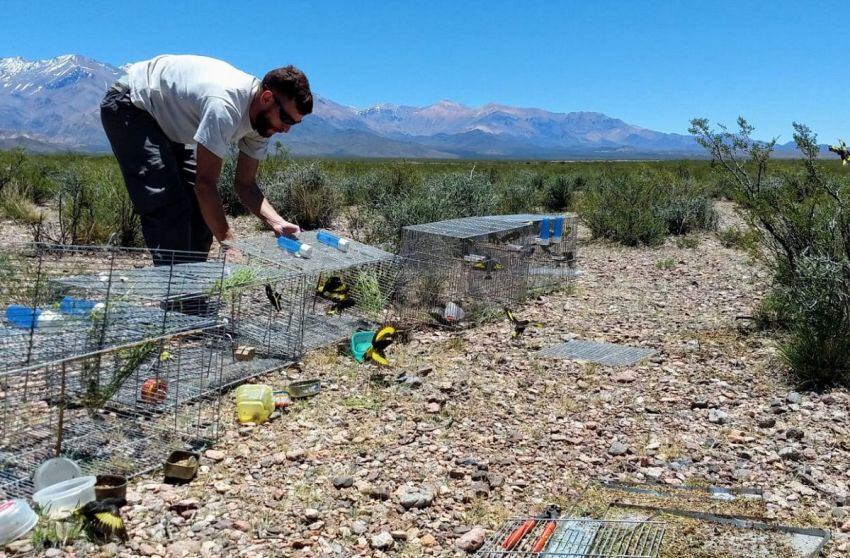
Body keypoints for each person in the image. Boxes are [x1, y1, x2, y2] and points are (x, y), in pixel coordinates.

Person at [100, 54, 311, 264]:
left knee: (201, 211)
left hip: (167, 118)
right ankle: (178, 293)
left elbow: (245, 184)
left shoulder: (264, 122)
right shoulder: (224, 106)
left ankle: (192, 287)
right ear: (266, 98)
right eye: (285, 118)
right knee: (169, 205)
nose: (286, 129)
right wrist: (228, 241)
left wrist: (276, 222)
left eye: (295, 123)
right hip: (132, 104)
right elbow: (205, 184)